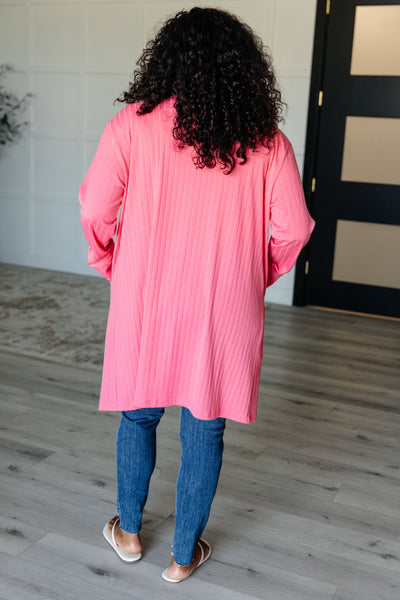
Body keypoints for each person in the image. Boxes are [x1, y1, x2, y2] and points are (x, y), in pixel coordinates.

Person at [79, 7, 315, 583]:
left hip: (146, 296)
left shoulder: (132, 124)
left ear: (166, 62)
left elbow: (95, 208)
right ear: (245, 68)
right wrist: (255, 274)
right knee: (206, 424)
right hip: (223, 304)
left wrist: (109, 260)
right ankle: (184, 555)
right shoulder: (268, 141)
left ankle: (128, 533)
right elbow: (295, 229)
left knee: (139, 414)